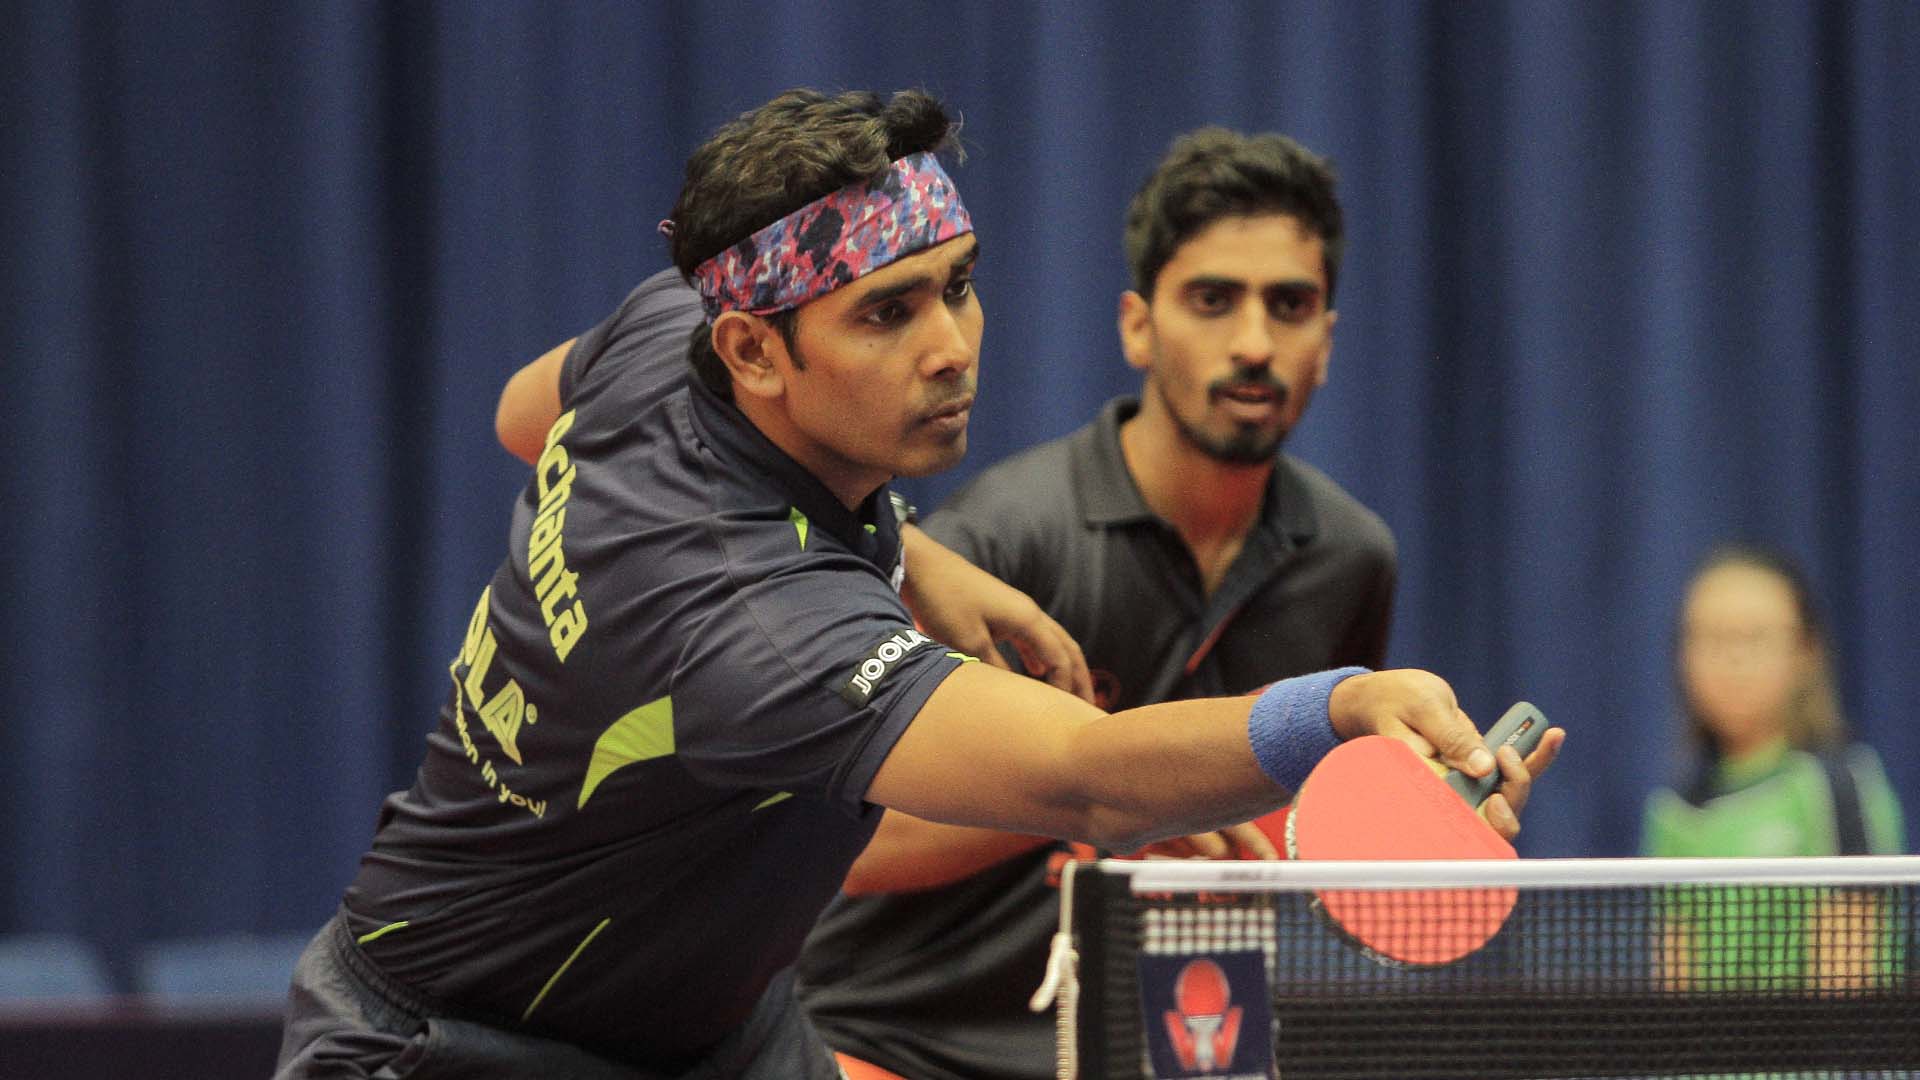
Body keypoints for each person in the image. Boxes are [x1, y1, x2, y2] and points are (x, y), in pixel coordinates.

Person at [274, 89, 1542, 1080]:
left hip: (716, 1031)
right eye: (888, 315)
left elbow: (518, 413)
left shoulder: (670, 334)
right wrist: (1337, 715)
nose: (951, 348)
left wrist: (913, 554)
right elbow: (1082, 780)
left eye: (961, 286)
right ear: (756, 351)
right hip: (465, 1042)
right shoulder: (754, 623)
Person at [793, 127, 1566, 1080]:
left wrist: (1405, 826)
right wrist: (1115, 797)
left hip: (1176, 1049)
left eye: (1290, 306)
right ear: (1138, 326)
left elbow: (1277, 846)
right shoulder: (1000, 543)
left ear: (1326, 340)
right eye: (1212, 301)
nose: (1252, 342)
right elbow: (855, 850)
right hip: (904, 1043)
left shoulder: (1351, 558)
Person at [1641, 544, 1905, 990]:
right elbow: (1677, 994)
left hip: (1815, 1056)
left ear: (1806, 651)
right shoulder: (1673, 810)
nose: (1734, 659)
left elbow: (1847, 993)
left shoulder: (1840, 786)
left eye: (1756, 636)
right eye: (1711, 637)